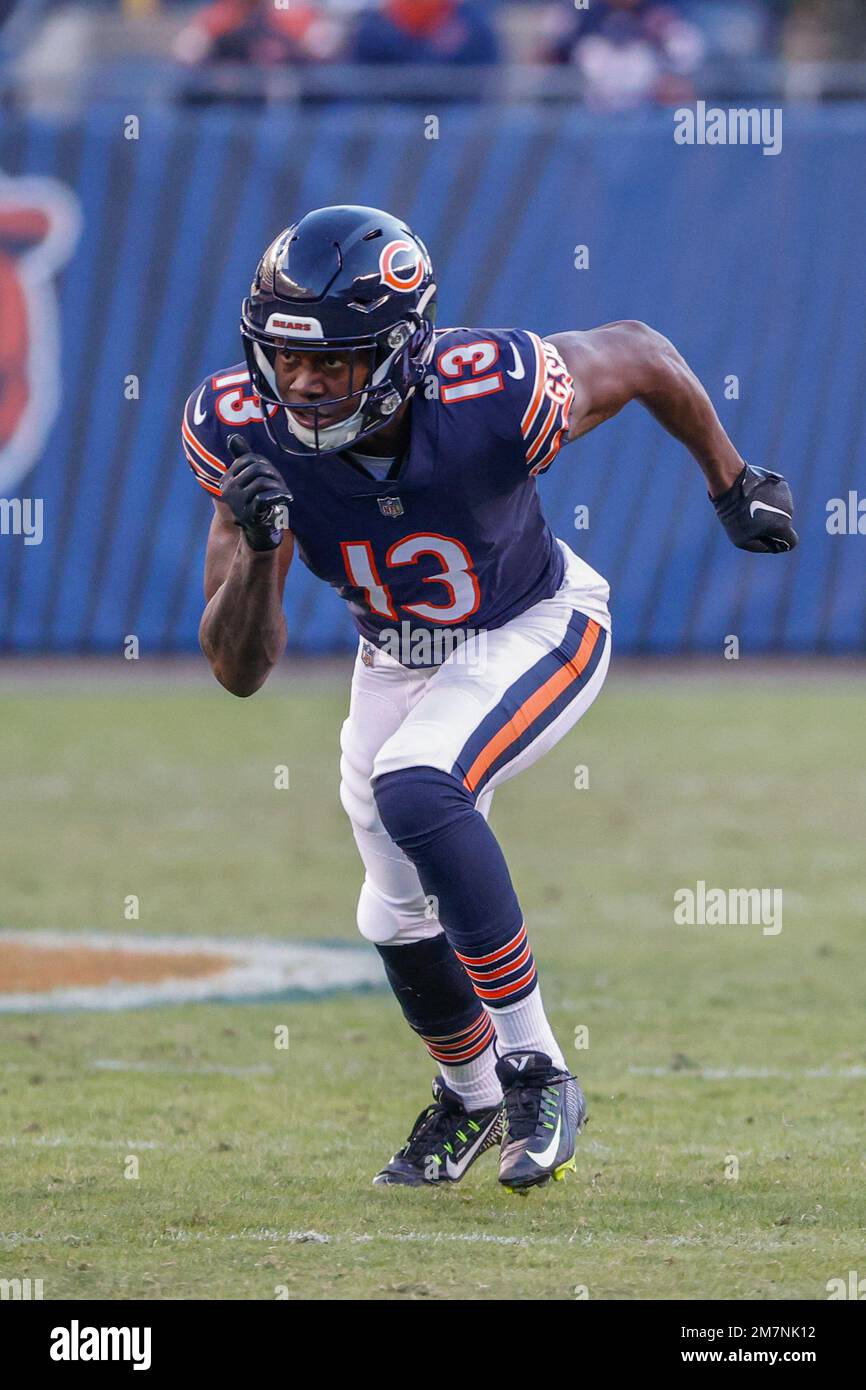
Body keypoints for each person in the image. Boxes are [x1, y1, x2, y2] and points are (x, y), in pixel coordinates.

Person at [182, 205, 797, 1191]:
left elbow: (637, 354)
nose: (300, 382)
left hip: (534, 620)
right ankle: (467, 1094)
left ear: (398, 350)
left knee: (418, 785)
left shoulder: (493, 390)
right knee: (393, 920)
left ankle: (536, 1066)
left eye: (333, 361)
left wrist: (730, 484)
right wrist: (259, 552)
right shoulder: (240, 427)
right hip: (396, 652)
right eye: (285, 356)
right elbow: (238, 668)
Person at [349, 0, 499, 67]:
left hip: (459, 105)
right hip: (392, 106)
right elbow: (362, 70)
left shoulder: (468, 19)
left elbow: (487, 67)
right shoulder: (379, 21)